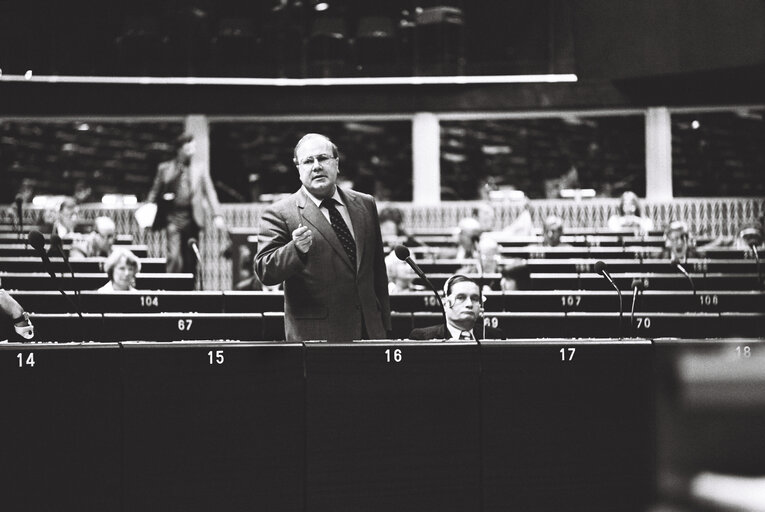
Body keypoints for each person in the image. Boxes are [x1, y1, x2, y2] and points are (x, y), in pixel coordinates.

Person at [254, 133, 391, 342]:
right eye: (308, 161)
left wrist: (385, 327)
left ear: (336, 163)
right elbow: (265, 270)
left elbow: (377, 272)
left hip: (371, 332)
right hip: (316, 337)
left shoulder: (365, 204)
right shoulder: (280, 213)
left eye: (323, 158)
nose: (316, 166)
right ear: (298, 168)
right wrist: (295, 249)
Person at [146, 132, 226, 275]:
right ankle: (170, 288)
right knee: (174, 257)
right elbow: (155, 191)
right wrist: (147, 211)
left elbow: (210, 192)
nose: (192, 151)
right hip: (172, 217)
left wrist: (217, 215)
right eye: (189, 147)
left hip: (192, 218)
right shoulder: (166, 168)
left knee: (191, 258)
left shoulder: (199, 169)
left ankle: (190, 292)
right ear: (180, 148)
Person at [408, 275, 504, 341]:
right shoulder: (422, 337)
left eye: (475, 298)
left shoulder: (496, 336)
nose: (469, 304)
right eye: (461, 298)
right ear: (445, 303)